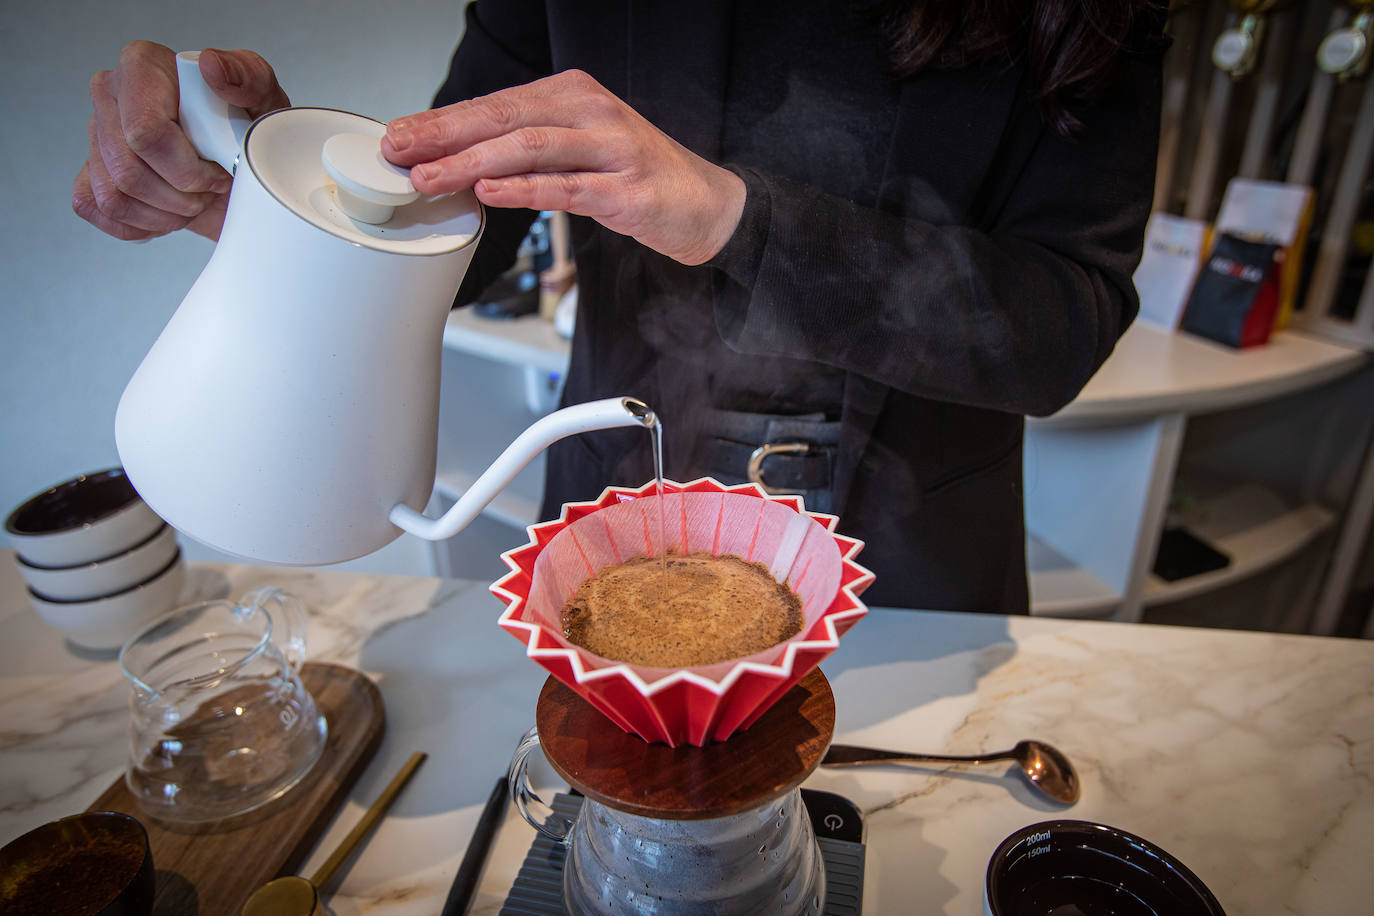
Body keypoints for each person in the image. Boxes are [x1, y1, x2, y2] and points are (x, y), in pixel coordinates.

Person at [74, 1, 1168, 612]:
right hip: (613, 493)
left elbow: (1063, 322)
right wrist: (294, 205)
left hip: (911, 553)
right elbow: (469, 227)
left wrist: (732, 216)